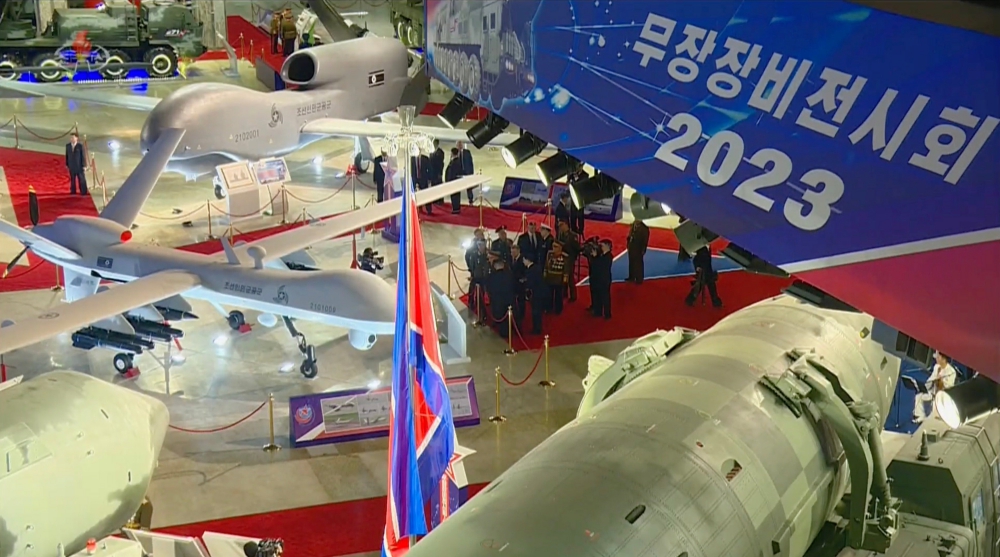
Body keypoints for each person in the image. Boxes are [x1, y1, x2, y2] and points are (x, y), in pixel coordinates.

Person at [913, 352, 958, 423]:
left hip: (942, 396)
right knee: (919, 396)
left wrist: (941, 381)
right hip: (932, 392)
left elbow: (948, 388)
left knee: (934, 409)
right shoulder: (936, 367)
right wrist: (925, 387)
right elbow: (930, 379)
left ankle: (930, 421)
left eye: (938, 357)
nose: (936, 359)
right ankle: (920, 416)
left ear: (943, 359)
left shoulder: (951, 372)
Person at [487, 258, 515, 338]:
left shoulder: (492, 276)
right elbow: (514, 286)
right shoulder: (510, 274)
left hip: (498, 300)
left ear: (495, 266)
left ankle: (503, 332)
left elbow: (489, 288)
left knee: (500, 316)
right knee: (509, 316)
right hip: (509, 299)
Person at [588, 239, 614, 319]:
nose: (600, 247)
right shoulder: (602, 255)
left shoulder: (608, 256)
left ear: (607, 246)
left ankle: (607, 314)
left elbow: (600, 265)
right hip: (597, 279)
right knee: (597, 295)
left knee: (605, 297)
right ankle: (598, 311)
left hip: (603, 280)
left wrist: (595, 257)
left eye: (602, 245)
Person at [466, 238, 490, 323]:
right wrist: (473, 275)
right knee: (476, 295)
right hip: (476, 278)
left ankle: (484, 313)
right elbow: (472, 266)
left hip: (485, 278)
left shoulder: (487, 254)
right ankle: (478, 312)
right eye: (480, 245)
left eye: (483, 245)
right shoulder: (474, 255)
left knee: (484, 296)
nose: (481, 247)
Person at [556, 220, 581, 302]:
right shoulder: (560, 234)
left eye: (561, 225)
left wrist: (573, 256)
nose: (560, 227)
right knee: (563, 275)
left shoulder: (572, 235)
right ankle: (564, 292)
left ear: (566, 225)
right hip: (562, 257)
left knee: (570, 277)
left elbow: (577, 247)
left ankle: (573, 295)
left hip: (570, 258)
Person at [522, 254, 546, 334]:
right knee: (537, 311)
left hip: (536, 294)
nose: (523, 262)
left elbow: (530, 283)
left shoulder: (530, 270)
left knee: (536, 312)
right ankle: (537, 327)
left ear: (527, 260)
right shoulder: (537, 268)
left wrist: (525, 283)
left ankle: (537, 329)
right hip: (540, 292)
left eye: (524, 260)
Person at [543, 241, 569, 315]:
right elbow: (546, 264)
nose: (554, 248)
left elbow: (566, 268)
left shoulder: (564, 256)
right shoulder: (549, 254)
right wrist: (545, 274)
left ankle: (558, 309)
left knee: (558, 295)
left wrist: (565, 278)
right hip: (550, 277)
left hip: (558, 278)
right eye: (553, 246)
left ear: (560, 248)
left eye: (556, 247)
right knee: (549, 294)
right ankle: (548, 308)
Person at [626, 219, 649, 284]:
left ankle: (639, 278)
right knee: (631, 262)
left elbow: (645, 240)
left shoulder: (644, 228)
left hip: (638, 248)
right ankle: (631, 277)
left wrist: (643, 249)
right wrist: (628, 244)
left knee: (638, 263)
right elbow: (630, 235)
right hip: (631, 247)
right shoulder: (633, 225)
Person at [510, 244, 526, 325]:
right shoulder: (511, 259)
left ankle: (521, 314)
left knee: (521, 299)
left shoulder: (523, 260)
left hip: (521, 283)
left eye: (514, 252)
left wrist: (524, 279)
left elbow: (525, 271)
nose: (512, 254)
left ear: (518, 251)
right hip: (513, 283)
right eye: (511, 252)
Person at [445, 147, 463, 214]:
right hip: (452, 181)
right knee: (454, 195)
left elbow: (453, 172)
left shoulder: (456, 162)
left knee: (455, 195)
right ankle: (455, 207)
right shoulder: (453, 161)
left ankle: (456, 208)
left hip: (454, 181)